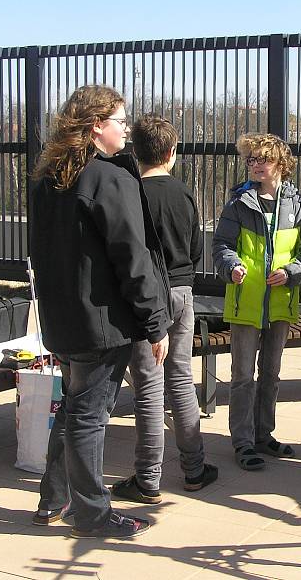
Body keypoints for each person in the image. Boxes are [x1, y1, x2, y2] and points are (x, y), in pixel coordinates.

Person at [30, 85, 171, 539]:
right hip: (101, 324)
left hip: (64, 319)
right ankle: (91, 514)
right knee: (88, 417)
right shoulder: (108, 179)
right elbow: (133, 258)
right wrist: (155, 322)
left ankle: (54, 500)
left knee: (74, 412)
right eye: (119, 120)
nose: (127, 128)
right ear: (96, 126)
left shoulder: (48, 177)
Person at [110, 115, 217, 504]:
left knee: (149, 386)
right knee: (180, 378)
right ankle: (194, 468)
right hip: (182, 290)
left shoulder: (130, 192)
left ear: (134, 152)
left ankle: (148, 478)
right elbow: (194, 248)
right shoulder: (184, 194)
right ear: (172, 153)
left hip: (146, 296)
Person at [212, 133, 301, 471]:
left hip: (281, 303)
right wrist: (232, 266)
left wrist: (293, 271)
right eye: (251, 160)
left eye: (264, 159)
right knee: (242, 376)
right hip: (245, 304)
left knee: (271, 373)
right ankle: (243, 442)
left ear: (281, 164)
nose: (257, 165)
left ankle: (264, 434)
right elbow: (221, 246)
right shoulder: (238, 205)